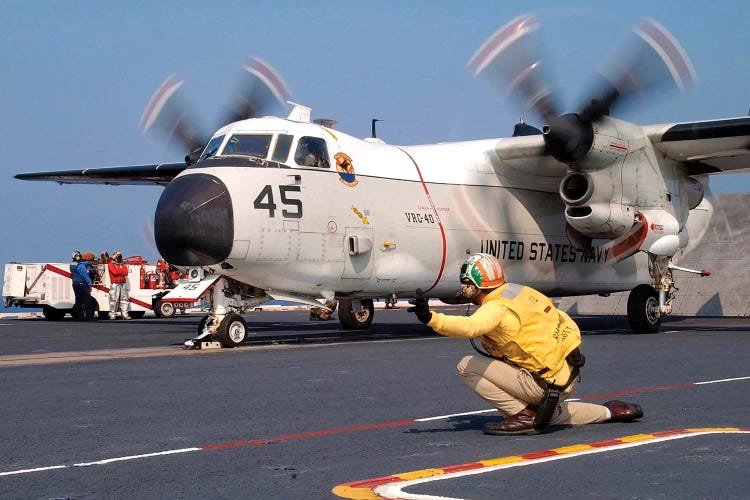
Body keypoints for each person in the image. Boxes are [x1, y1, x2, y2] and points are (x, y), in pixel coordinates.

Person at [408, 253, 643, 436]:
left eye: (465, 282)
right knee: (550, 415)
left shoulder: (495, 308)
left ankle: (523, 414)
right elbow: (562, 319)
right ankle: (609, 412)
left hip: (541, 384)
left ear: (473, 284)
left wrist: (432, 318)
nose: (462, 287)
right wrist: (573, 348)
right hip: (567, 376)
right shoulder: (522, 291)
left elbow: (471, 327)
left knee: (466, 365)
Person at [70, 251, 94, 321]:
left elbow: (80, 264)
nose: (79, 257)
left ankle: (80, 317)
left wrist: (88, 262)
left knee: (78, 301)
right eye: (78, 256)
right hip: (82, 285)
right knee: (87, 301)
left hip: (75, 284)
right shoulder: (81, 266)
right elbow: (86, 276)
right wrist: (90, 284)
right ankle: (89, 318)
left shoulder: (72, 264)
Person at [107, 251, 131, 320]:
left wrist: (119, 270)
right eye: (118, 256)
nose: (120, 258)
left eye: (120, 256)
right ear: (115, 257)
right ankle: (112, 314)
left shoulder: (122, 264)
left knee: (124, 299)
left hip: (123, 284)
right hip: (115, 284)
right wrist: (121, 271)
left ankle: (125, 314)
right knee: (113, 299)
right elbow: (114, 272)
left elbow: (126, 272)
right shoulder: (111, 264)